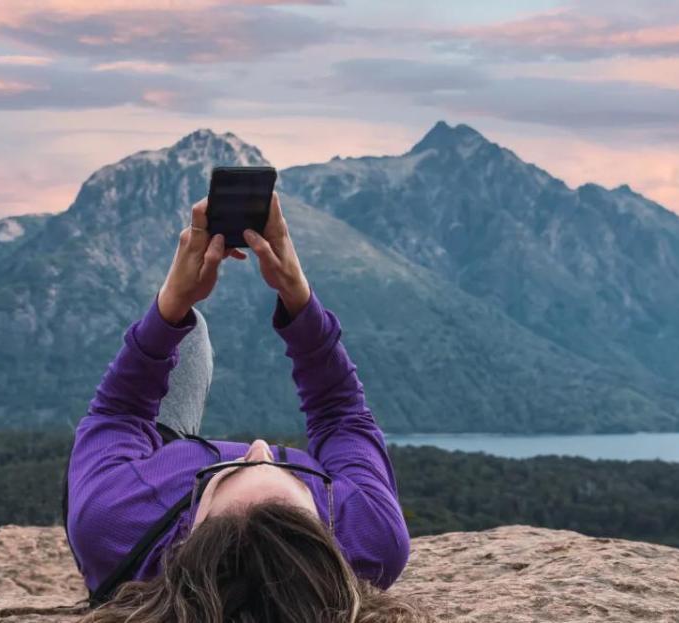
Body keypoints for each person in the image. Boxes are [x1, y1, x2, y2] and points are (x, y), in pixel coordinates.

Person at [66, 193, 418, 622]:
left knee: (189, 332)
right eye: (299, 479)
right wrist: (298, 298)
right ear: (325, 541)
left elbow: (117, 414)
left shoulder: (115, 519)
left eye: (221, 476)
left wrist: (171, 304)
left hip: (150, 456)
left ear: (190, 535)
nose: (257, 446)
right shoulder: (371, 538)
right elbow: (341, 415)